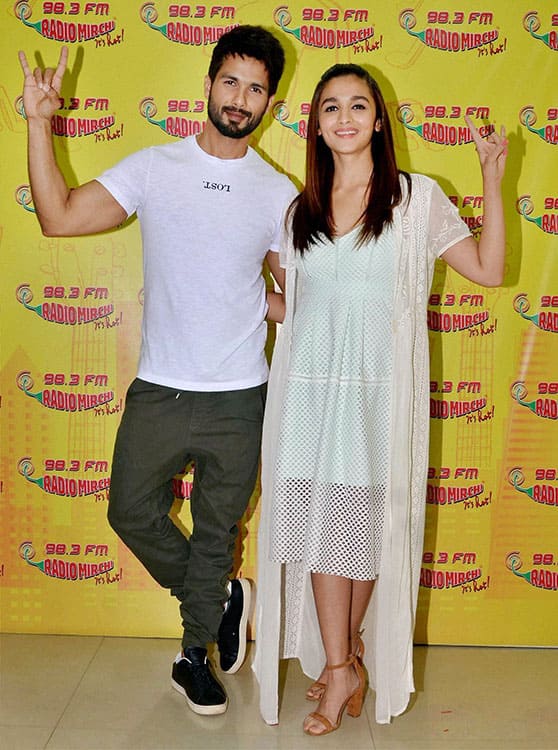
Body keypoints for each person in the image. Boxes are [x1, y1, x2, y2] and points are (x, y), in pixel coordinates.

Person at [19, 25, 296, 716]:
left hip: (240, 396)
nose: (240, 98)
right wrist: (38, 125)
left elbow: (297, 299)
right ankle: (222, 595)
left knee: (215, 531)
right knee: (130, 510)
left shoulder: (276, 192)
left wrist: (260, 299)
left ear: (270, 102)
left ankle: (192, 655)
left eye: (255, 88)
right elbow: (57, 218)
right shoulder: (153, 168)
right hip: (162, 388)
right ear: (207, 84)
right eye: (230, 81)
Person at [252, 63, 507, 735]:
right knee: (317, 535)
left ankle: (347, 662)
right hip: (308, 392)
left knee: (359, 537)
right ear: (315, 123)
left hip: (378, 396)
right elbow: (293, 305)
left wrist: (491, 181)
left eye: (357, 105)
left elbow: (489, 269)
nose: (344, 117)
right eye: (330, 106)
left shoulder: (416, 199)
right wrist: (235, 302)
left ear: (378, 119)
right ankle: (340, 667)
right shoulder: (298, 208)